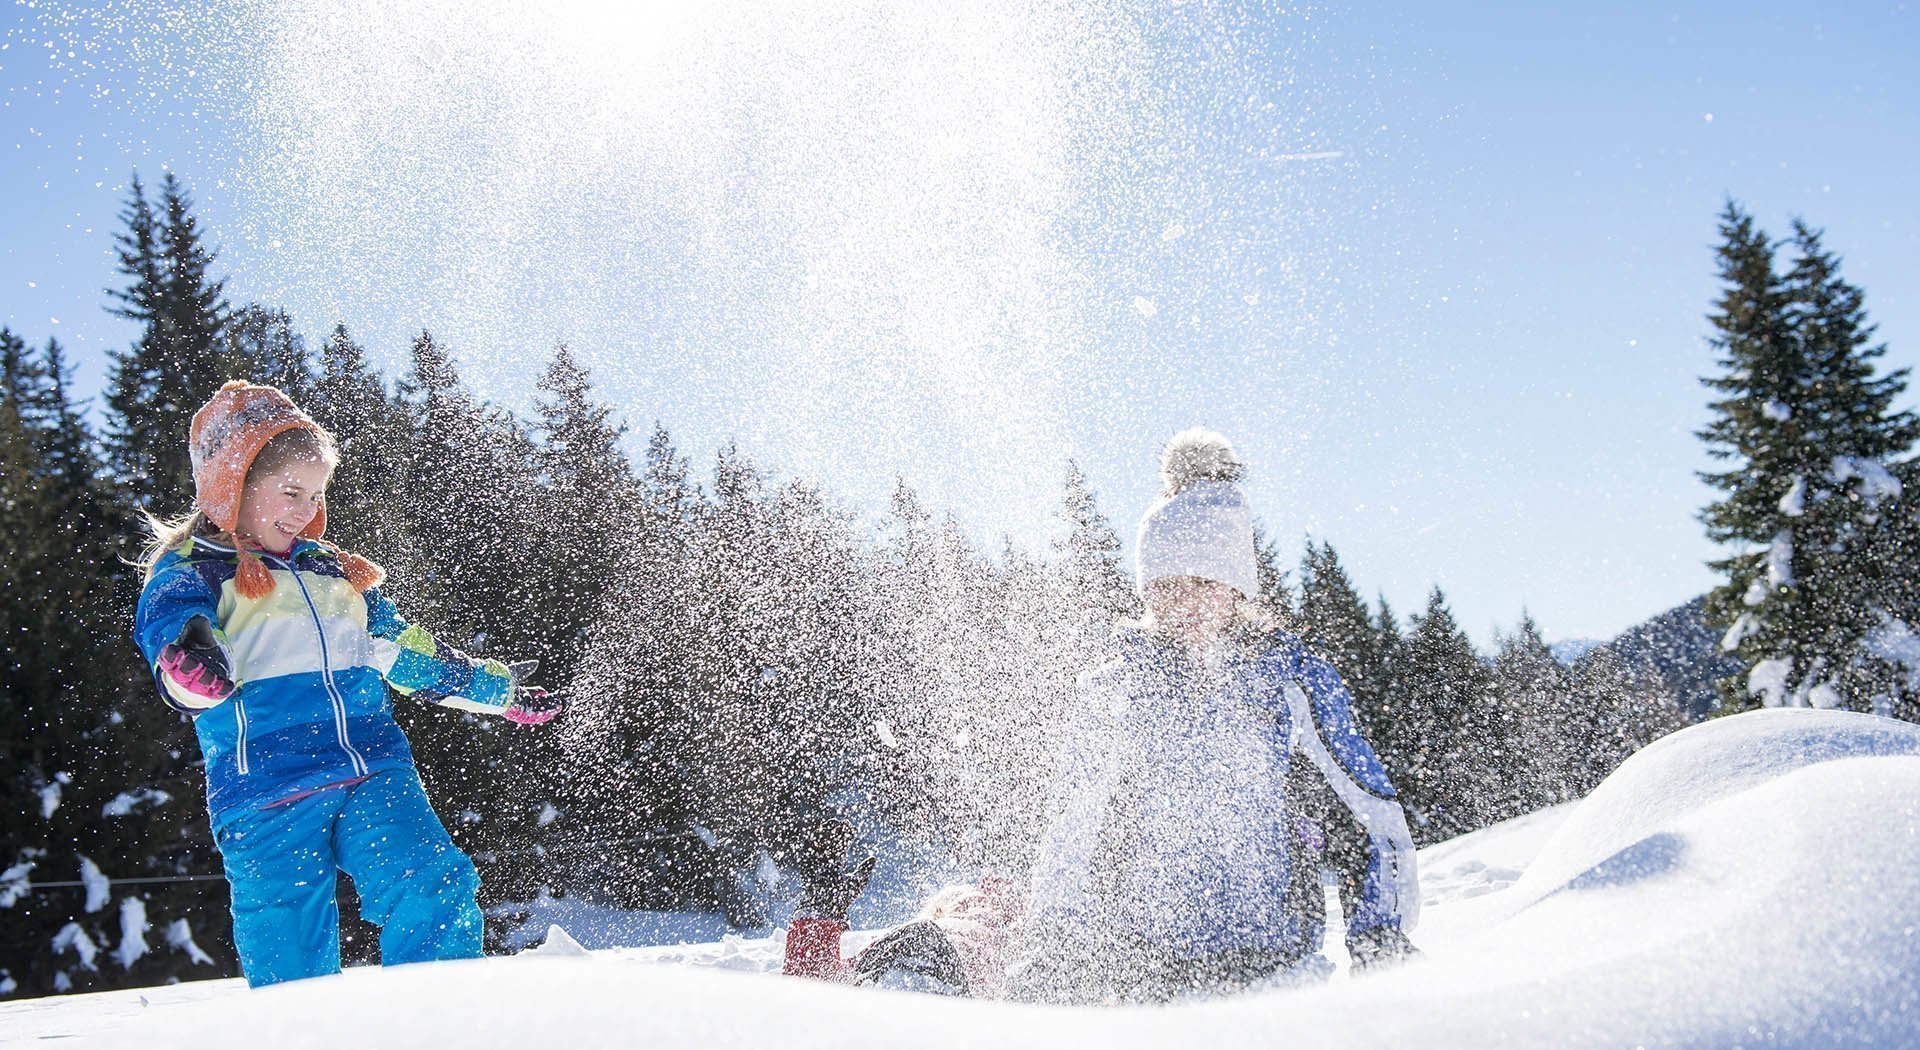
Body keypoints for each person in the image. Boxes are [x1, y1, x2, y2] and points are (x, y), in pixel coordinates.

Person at [133, 381, 563, 987]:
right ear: (233, 486)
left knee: (431, 880)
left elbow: (411, 654)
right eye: (289, 492)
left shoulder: (338, 576)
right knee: (288, 947)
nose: (305, 511)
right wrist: (191, 657)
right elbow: (173, 638)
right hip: (268, 790)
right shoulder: (194, 575)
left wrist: (501, 691)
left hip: (372, 768)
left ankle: (443, 1021)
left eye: (315, 495)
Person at [1009, 428, 1420, 1004]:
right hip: (1142, 964)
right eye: (1165, 588)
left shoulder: (1290, 679)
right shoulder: (1116, 685)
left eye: (1204, 582)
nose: (1186, 603)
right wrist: (1058, 943)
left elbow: (1367, 814)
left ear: (1237, 585)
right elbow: (1075, 824)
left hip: (1279, 960)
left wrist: (1380, 936)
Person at [783, 819, 1021, 997]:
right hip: (943, 974)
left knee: (921, 934)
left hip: (942, 977)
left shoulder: (995, 928)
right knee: (921, 934)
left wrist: (819, 910)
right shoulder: (973, 922)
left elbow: (816, 981)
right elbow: (816, 983)